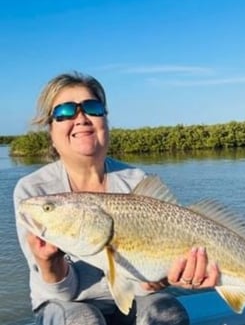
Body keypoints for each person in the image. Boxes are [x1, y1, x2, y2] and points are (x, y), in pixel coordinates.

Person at [13, 71, 220, 325]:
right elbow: (63, 294)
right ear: (51, 131)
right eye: (65, 111)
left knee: (167, 312)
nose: (81, 118)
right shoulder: (33, 192)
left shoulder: (136, 182)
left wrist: (163, 276)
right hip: (63, 306)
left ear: (105, 121)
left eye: (92, 107)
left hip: (130, 299)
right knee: (83, 319)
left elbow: (143, 287)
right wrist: (48, 263)